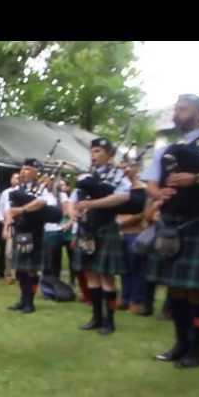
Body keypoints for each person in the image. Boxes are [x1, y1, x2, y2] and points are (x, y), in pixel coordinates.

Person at [143, 94, 199, 368]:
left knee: (197, 290)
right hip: (171, 223)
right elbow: (151, 184)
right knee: (176, 289)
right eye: (176, 109)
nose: (177, 114)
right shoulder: (166, 149)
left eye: (183, 109)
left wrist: (197, 178)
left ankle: (195, 348)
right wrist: (159, 192)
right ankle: (180, 343)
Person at [71, 138, 131, 335]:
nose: (93, 155)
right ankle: (96, 317)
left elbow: (123, 197)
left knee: (106, 277)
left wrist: (92, 204)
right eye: (92, 151)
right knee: (91, 275)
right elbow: (74, 198)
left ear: (109, 154)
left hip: (106, 228)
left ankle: (109, 321)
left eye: (97, 151)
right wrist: (73, 211)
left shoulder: (118, 175)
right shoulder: (87, 175)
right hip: (87, 228)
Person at [4, 159, 54, 314]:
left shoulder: (42, 188)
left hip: (35, 232)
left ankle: (30, 302)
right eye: (22, 169)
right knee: (20, 269)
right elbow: (9, 209)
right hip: (20, 231)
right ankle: (22, 299)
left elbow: (42, 202)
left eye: (27, 169)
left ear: (35, 172)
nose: (23, 172)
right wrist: (7, 224)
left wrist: (22, 209)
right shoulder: (18, 188)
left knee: (31, 269)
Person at [116, 156, 150, 313]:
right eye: (122, 167)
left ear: (136, 168)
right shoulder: (120, 187)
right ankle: (125, 298)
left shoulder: (143, 188)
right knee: (124, 269)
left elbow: (144, 212)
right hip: (121, 233)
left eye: (129, 166)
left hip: (136, 233)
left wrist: (125, 221)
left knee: (138, 268)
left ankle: (138, 301)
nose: (125, 170)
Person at [0, 172, 21, 284]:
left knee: (20, 250)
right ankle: (8, 274)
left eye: (18, 178)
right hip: (9, 224)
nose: (15, 180)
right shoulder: (5, 193)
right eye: (14, 177)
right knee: (8, 252)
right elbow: (2, 210)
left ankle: (16, 274)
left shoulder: (23, 192)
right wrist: (5, 226)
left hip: (21, 225)